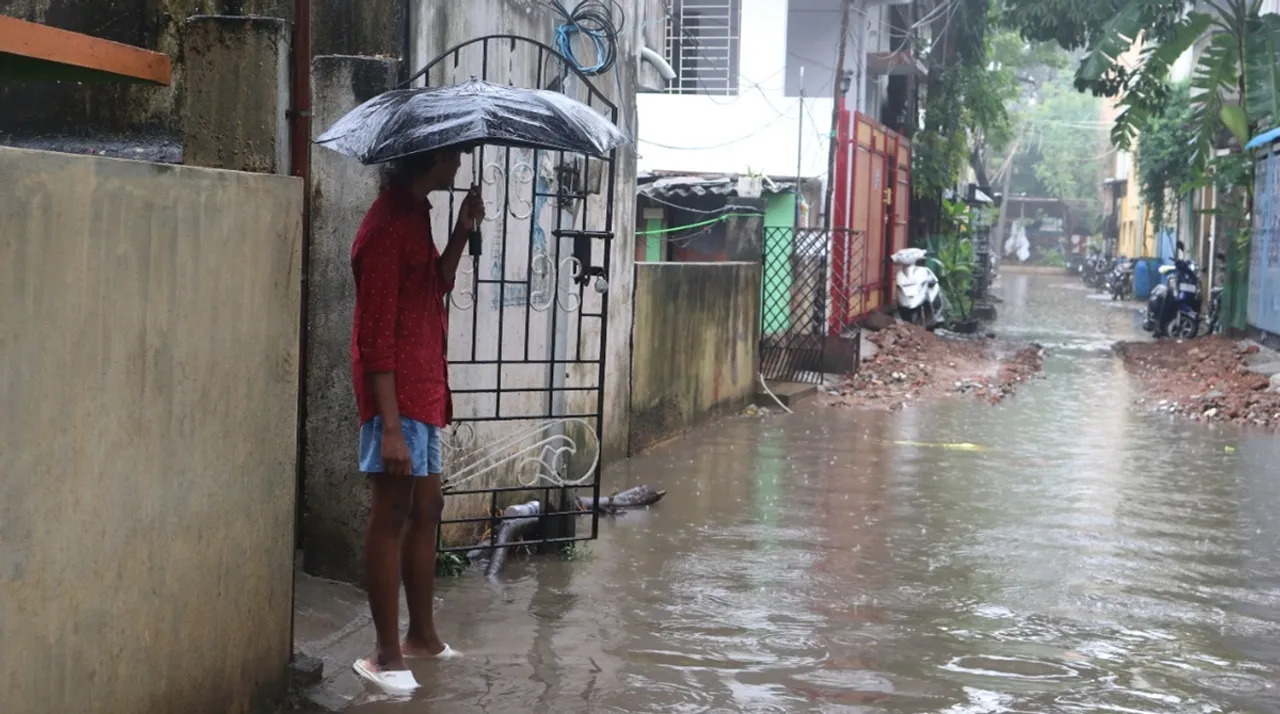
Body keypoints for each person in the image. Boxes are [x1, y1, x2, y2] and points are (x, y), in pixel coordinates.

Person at [349, 148, 483, 694]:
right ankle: (384, 654)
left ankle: (421, 635)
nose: (461, 162)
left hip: (424, 391)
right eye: (455, 154)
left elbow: (435, 286)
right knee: (393, 510)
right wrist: (393, 428)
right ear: (431, 159)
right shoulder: (384, 227)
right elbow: (373, 338)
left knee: (428, 506)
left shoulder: (416, 214)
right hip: (396, 399)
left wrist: (461, 230)